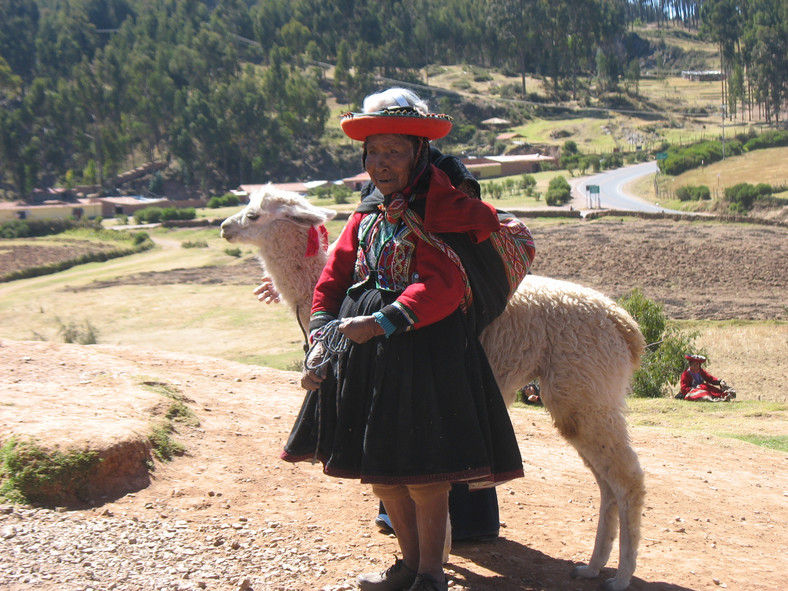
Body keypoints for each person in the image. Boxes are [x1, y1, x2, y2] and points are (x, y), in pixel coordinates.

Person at [281, 88, 524, 591]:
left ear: (418, 153)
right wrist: (322, 335)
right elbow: (336, 273)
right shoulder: (367, 211)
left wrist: (383, 320)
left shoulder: (445, 205)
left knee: (425, 472)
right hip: (364, 353)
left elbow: (445, 283)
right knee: (382, 470)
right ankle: (408, 566)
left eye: (392, 151)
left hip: (424, 350)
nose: (380, 162)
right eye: (372, 152)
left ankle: (432, 575)